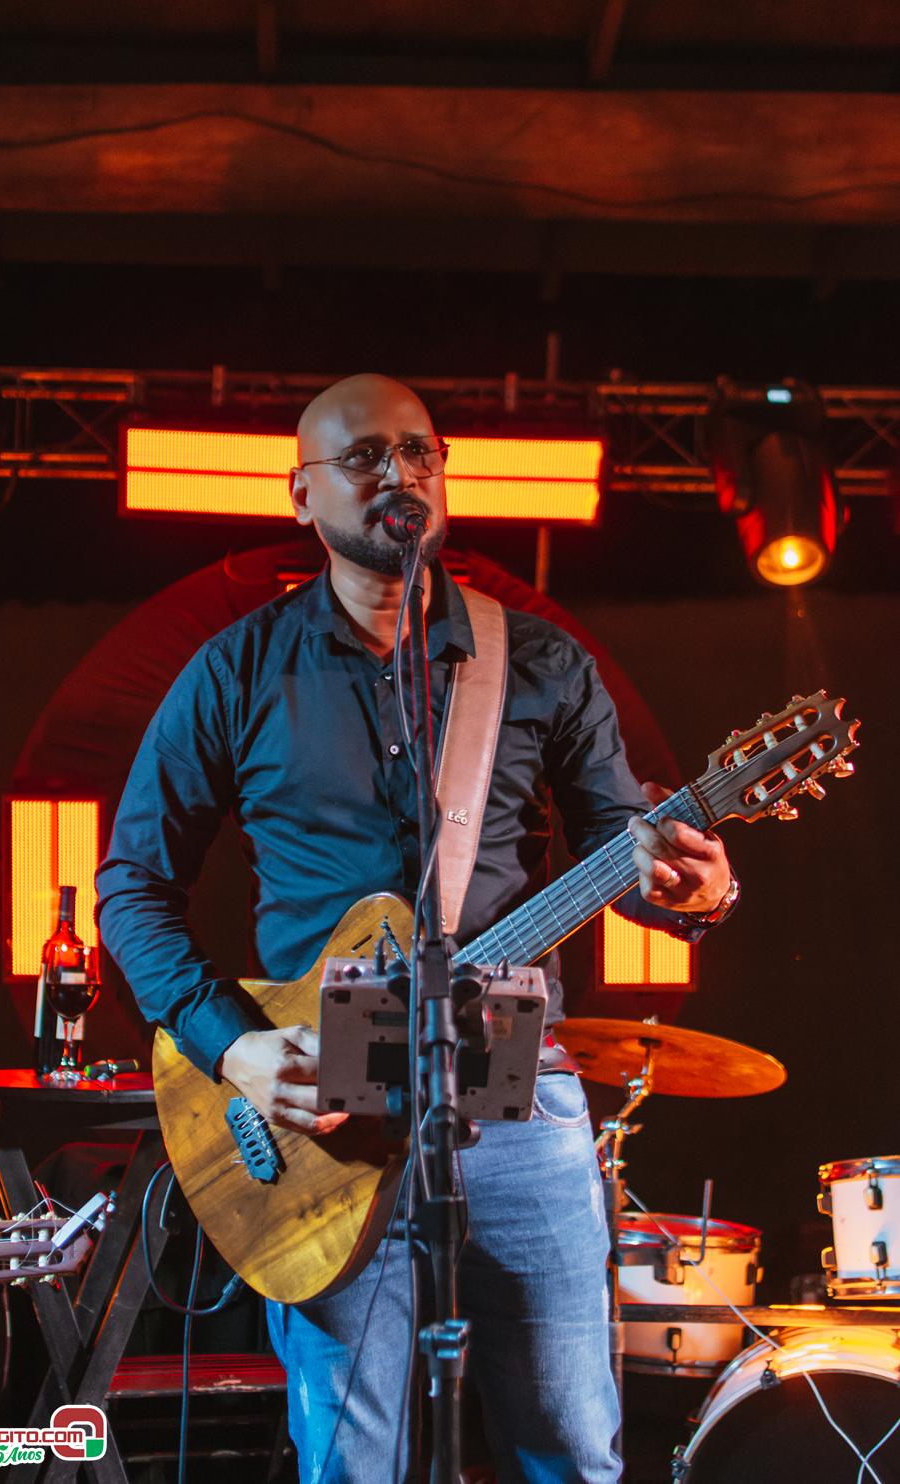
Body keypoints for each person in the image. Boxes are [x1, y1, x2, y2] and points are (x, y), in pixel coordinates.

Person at [97, 373, 735, 1483]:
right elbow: (131, 889)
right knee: (355, 1463)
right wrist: (236, 1050)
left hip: (515, 1092)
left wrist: (692, 891)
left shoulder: (537, 662)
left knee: (571, 1451)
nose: (399, 474)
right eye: (363, 457)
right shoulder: (237, 670)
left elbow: (625, 853)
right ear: (301, 494)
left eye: (419, 452)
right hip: (323, 1111)